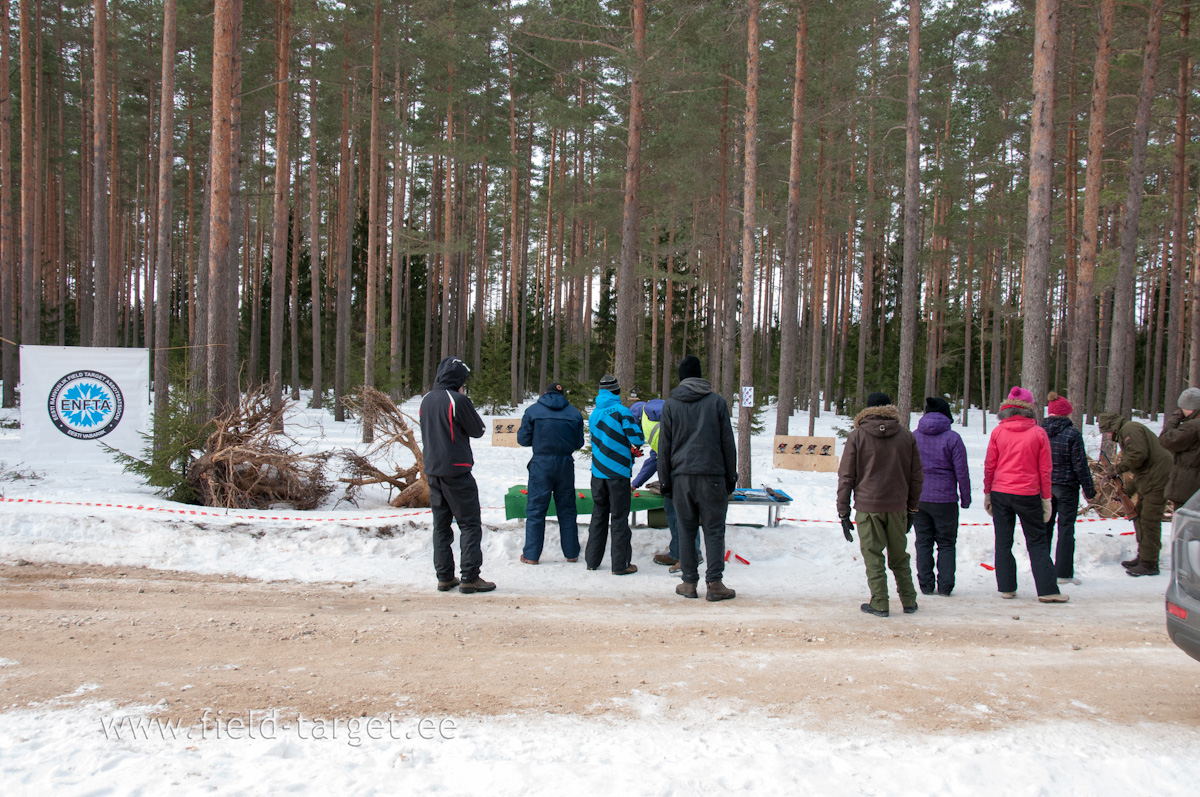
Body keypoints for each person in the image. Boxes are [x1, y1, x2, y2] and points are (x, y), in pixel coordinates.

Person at [837, 391, 923, 617]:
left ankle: (880, 602)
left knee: (873, 555)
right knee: (899, 555)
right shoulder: (906, 436)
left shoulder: (857, 436)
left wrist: (843, 512)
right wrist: (912, 508)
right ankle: (909, 600)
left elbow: (846, 476)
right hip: (897, 506)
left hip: (868, 506)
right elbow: (916, 476)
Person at [659, 356, 738, 601]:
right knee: (714, 531)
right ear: (700, 376)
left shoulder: (671, 405)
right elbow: (728, 442)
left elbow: (665, 448)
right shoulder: (716, 402)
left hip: (682, 477)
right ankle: (714, 584)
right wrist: (730, 477)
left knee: (686, 529)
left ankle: (689, 583)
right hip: (713, 475)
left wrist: (665, 481)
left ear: (682, 378)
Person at [419, 356, 494, 594]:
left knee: (441, 526)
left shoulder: (426, 399)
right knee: (470, 524)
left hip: (433, 470)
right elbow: (478, 430)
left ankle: (444, 576)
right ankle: (470, 577)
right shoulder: (457, 399)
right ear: (458, 379)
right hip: (457, 470)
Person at [983, 386, 1065, 602]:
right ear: (1029, 407)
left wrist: (988, 493)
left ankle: (1007, 587)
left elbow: (990, 465)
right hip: (1028, 493)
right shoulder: (1038, 432)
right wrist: (1046, 499)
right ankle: (1048, 590)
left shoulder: (998, 432)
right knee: (1037, 542)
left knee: (1003, 540)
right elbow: (1045, 470)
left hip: (1001, 492)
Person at [517, 382, 585, 565]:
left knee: (536, 510)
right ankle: (571, 553)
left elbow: (522, 439)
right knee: (567, 509)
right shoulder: (574, 413)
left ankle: (531, 555)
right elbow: (579, 443)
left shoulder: (533, 411)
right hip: (565, 464)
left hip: (541, 463)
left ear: (545, 392)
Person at [584, 375, 645, 575]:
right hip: (618, 474)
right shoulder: (622, 412)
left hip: (598, 473)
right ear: (616, 391)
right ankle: (620, 565)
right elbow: (637, 438)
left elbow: (603, 442)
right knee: (619, 518)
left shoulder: (594, 414)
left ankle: (592, 561)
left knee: (598, 516)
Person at [630, 399, 701, 572]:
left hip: (682, 468)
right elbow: (655, 457)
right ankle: (685, 552)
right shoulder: (654, 424)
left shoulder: (650, 413)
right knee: (679, 510)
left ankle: (684, 555)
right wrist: (636, 483)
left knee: (678, 512)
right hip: (686, 466)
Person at [1099, 410, 1172, 577]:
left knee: (1149, 521)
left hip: (1157, 479)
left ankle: (1149, 563)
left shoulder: (1130, 430)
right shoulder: (1128, 430)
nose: (1108, 436)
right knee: (1140, 515)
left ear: (1112, 427)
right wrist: (1126, 491)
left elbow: (1138, 457)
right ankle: (1144, 557)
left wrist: (1115, 469)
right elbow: (1140, 470)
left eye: (1107, 432)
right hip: (1151, 478)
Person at [911, 396, 971, 597]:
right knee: (946, 543)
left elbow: (906, 468)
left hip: (919, 497)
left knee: (923, 541)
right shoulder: (952, 438)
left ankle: (926, 585)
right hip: (945, 499)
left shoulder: (915, 436)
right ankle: (945, 586)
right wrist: (966, 496)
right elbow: (961, 470)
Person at [1041, 393, 1096, 585]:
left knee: (1045, 527)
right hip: (1067, 487)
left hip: (1046, 486)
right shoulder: (1072, 434)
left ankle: (1043, 569)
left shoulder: (1040, 432)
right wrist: (1089, 490)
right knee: (1066, 529)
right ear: (1066, 414)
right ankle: (1063, 573)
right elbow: (1080, 465)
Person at [1159, 387, 1200, 510]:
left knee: (1185, 526)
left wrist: (1174, 419)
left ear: (1189, 408)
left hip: (1189, 486)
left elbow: (1165, 440)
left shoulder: (1192, 427)